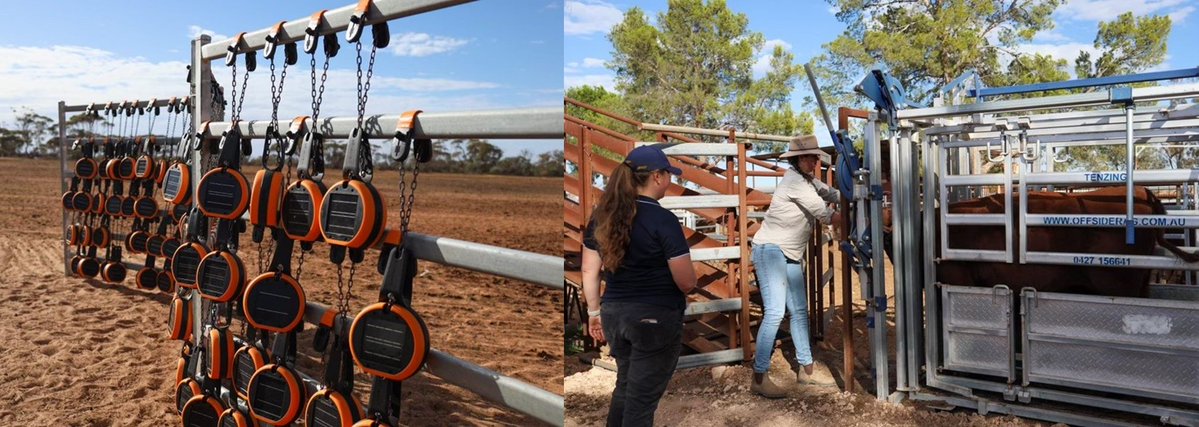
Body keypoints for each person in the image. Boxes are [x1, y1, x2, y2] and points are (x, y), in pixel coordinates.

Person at [581, 145, 698, 427]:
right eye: (669, 174)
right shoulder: (663, 220)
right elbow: (686, 281)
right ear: (657, 176)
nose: (670, 180)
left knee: (625, 387)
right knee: (641, 402)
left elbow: (589, 270)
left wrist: (594, 312)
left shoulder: (602, 217)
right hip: (654, 317)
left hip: (614, 315)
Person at [749, 135, 839, 398]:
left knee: (799, 310)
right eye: (809, 157)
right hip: (771, 251)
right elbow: (825, 214)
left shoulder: (808, 180)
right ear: (798, 160)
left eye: (815, 157)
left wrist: (857, 193)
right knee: (776, 312)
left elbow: (832, 193)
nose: (814, 161)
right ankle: (759, 377)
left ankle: (806, 371)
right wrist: (862, 216)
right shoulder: (794, 183)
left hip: (788, 253)